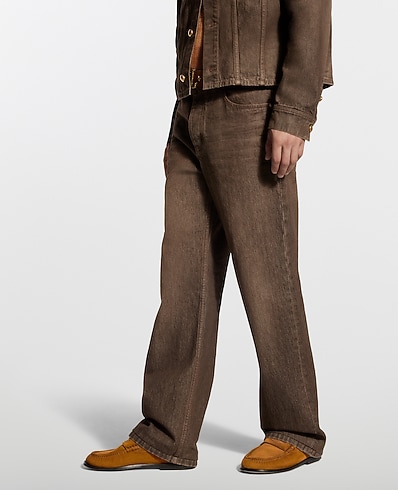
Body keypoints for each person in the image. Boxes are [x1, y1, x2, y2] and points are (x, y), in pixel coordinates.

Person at [84, 0, 333, 474]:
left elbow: (311, 14)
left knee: (268, 277)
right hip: (191, 106)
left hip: (253, 109)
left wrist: (294, 113)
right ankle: (166, 433)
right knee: (182, 281)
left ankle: (295, 430)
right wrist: (184, 113)